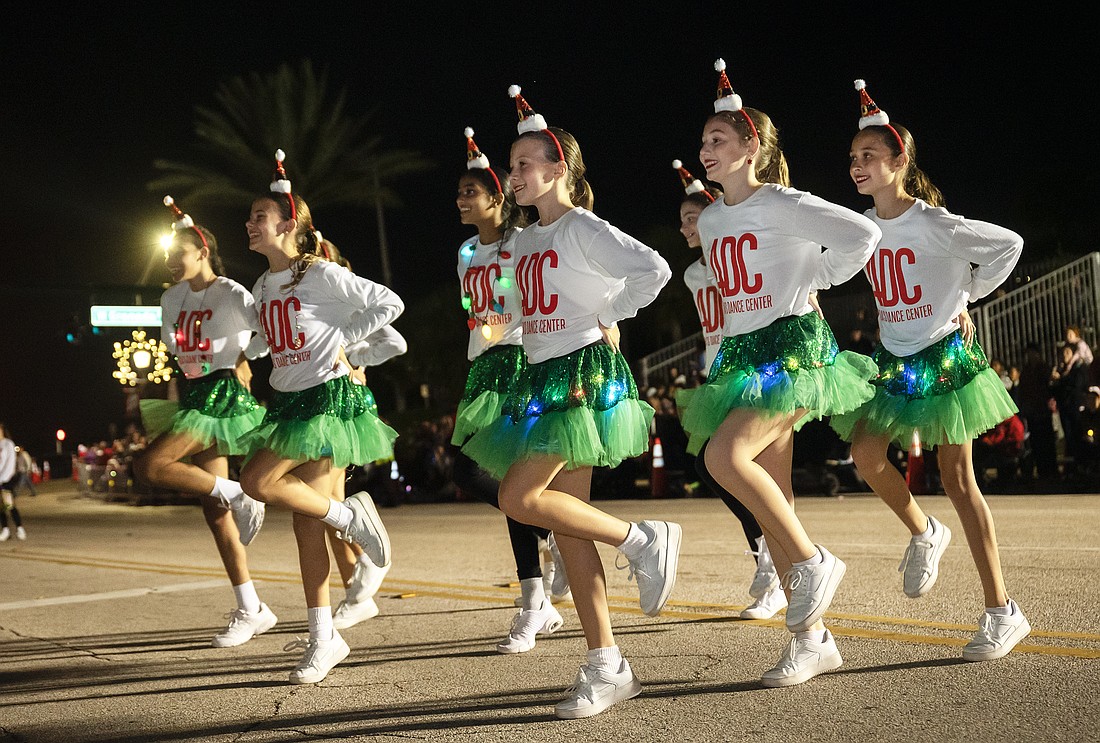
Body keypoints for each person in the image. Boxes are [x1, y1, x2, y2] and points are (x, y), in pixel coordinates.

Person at [462, 86, 679, 719]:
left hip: (580, 374)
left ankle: (644, 538)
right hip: (539, 375)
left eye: (525, 163)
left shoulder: (582, 225)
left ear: (559, 169)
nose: (513, 174)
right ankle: (606, 664)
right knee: (563, 519)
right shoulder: (522, 242)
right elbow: (509, 314)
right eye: (511, 163)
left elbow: (653, 270)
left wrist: (605, 311)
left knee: (518, 497)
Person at [675, 60, 881, 688]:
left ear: (751, 147)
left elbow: (863, 234)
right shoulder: (711, 220)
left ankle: (815, 565)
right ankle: (811, 640)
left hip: (793, 349)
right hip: (742, 358)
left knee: (722, 456)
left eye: (719, 140)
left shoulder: (784, 203)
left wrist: (813, 277)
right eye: (705, 140)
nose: (706, 149)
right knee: (775, 500)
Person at [831, 79, 1030, 661]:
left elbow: (1009, 246)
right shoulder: (865, 228)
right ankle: (923, 530)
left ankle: (1001, 610)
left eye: (869, 156)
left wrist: (965, 292)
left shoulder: (934, 222)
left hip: (943, 359)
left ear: (899, 163)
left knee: (959, 481)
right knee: (866, 457)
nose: (856, 166)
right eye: (851, 158)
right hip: (895, 362)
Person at [238, 150, 404, 684]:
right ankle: (322, 637)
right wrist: (247, 350)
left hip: (327, 399)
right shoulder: (264, 285)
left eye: (258, 217)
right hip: (289, 402)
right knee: (307, 523)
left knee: (256, 480)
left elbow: (389, 304)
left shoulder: (321, 273)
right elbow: (272, 340)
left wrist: (349, 348)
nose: (249, 224)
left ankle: (349, 518)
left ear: (289, 225)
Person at [131, 198, 274, 647]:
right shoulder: (170, 298)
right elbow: (177, 353)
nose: (172, 261)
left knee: (149, 466)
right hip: (194, 393)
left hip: (222, 391)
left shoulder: (231, 292)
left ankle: (240, 493)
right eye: (170, 254)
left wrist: (242, 358)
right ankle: (251, 608)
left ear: (203, 252)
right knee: (215, 514)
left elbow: (267, 333)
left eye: (181, 254)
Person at [451, 127, 571, 653]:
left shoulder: (524, 242)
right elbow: (472, 310)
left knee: (501, 477)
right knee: (468, 469)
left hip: (522, 363)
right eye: (459, 193)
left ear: (498, 197)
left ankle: (532, 603)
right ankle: (544, 537)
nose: (460, 201)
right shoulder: (464, 253)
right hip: (483, 369)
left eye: (470, 192)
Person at [671, 159, 783, 620]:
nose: (685, 228)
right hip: (721, 373)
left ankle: (778, 566)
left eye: (692, 218)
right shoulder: (693, 275)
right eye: (681, 221)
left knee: (748, 467)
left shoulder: (735, 254)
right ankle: (766, 555)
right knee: (710, 463)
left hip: (760, 366)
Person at [314, 238, 405, 631]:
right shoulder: (309, 296)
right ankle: (356, 588)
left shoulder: (344, 294)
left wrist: (353, 358)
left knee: (324, 500)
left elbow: (394, 342)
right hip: (318, 399)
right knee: (325, 501)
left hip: (341, 402)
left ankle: (364, 573)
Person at [0, 423, 26, 541]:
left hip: (5, 480)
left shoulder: (8, 444)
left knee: (9, 505)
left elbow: (10, 463)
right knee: (1, 507)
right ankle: (5, 530)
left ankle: (19, 528)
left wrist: (4, 478)